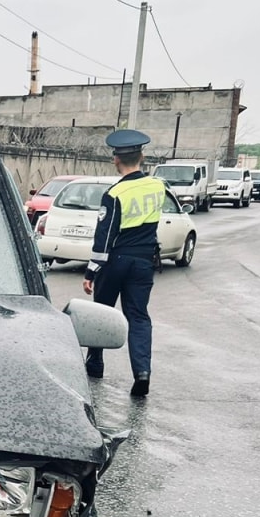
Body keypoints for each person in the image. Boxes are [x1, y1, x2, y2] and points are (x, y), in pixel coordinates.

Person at [82, 129, 166, 398]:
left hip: (117, 260)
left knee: (102, 313)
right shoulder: (158, 186)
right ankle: (142, 373)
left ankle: (95, 363)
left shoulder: (115, 193)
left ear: (116, 160)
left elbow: (105, 236)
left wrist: (91, 271)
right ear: (142, 156)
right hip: (144, 261)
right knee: (139, 317)